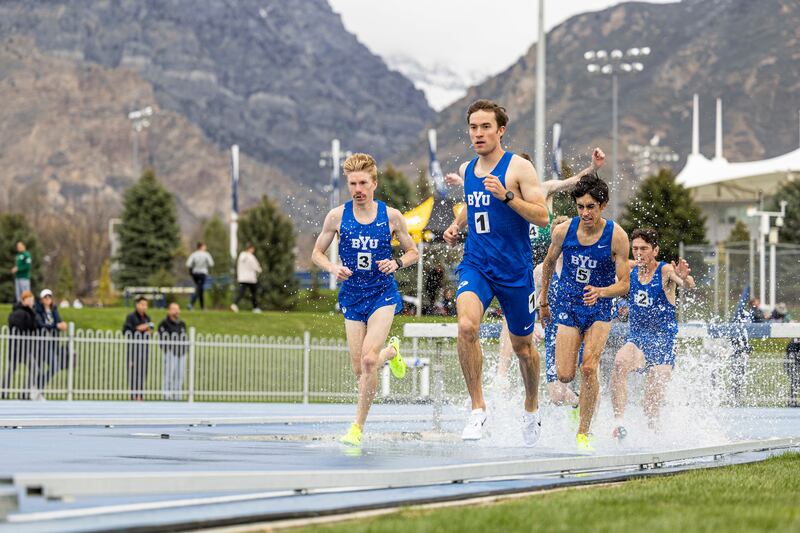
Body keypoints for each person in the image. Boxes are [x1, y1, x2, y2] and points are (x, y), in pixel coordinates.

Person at [443, 99, 549, 444]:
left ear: (500, 130)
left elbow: (542, 215)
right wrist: (456, 224)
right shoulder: (469, 169)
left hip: (515, 272)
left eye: (485, 127)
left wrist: (507, 197)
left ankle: (531, 406)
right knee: (466, 326)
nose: (478, 133)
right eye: (473, 127)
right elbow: (474, 205)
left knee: (523, 348)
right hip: (477, 264)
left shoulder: (518, 168)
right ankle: (477, 409)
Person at [449, 150, 605, 381]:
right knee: (509, 319)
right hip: (516, 265)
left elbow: (575, 181)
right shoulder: (501, 193)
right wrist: (462, 185)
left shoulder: (543, 189)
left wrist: (593, 167)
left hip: (547, 263)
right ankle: (502, 373)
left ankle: (566, 364)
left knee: (548, 297)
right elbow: (479, 195)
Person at [312, 152, 419, 447]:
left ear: (374, 183)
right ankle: (392, 353)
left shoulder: (391, 216)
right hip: (352, 296)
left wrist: (396, 264)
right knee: (361, 370)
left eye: (362, 183)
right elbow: (316, 253)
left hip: (382, 293)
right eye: (352, 184)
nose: (357, 189)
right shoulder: (336, 216)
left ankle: (356, 428)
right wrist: (332, 267)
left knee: (369, 361)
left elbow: (413, 252)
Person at [540, 173, 631, 450]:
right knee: (565, 375)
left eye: (591, 207)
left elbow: (625, 284)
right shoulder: (563, 231)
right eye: (580, 206)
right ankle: (584, 399)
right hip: (567, 304)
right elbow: (547, 264)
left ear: (602, 205)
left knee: (589, 367)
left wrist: (602, 292)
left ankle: (583, 432)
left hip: (599, 308)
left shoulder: (616, 236)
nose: (585, 212)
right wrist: (543, 302)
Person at [610, 228, 695, 438]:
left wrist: (685, 279)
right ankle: (619, 423)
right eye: (635, 248)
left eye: (644, 249)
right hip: (637, 338)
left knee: (650, 406)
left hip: (663, 342)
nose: (639, 253)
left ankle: (655, 438)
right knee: (620, 362)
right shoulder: (630, 269)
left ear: (655, 250)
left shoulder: (665, 270)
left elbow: (687, 284)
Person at [1, 290, 37, 399]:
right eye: (28, 299)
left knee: (34, 369)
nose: (30, 301)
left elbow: (34, 327)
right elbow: (19, 325)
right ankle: (3, 391)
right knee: (11, 370)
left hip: (26, 348)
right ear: (23, 300)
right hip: (17, 347)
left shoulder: (31, 312)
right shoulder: (18, 311)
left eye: (31, 299)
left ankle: (24, 393)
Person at [33, 288, 68, 399]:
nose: (48, 299)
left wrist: (62, 325)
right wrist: (55, 326)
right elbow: (40, 324)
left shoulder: (53, 310)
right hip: (41, 343)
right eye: (45, 297)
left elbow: (58, 321)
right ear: (41, 299)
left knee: (55, 367)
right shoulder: (37, 310)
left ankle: (38, 387)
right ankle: (37, 389)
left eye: (49, 297)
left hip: (52, 342)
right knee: (40, 367)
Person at [123, 295, 154, 401]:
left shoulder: (147, 318)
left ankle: (140, 394)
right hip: (133, 349)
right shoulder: (131, 317)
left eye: (146, 305)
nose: (144, 307)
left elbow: (150, 331)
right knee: (133, 372)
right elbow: (126, 331)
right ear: (137, 305)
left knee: (142, 372)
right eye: (142, 304)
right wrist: (139, 328)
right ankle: (133, 394)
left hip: (144, 350)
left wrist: (149, 332)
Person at [158, 302, 187, 400]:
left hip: (181, 353)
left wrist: (184, 350)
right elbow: (162, 339)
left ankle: (177, 395)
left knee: (180, 375)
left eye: (178, 309)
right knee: (169, 375)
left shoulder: (182, 324)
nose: (177, 311)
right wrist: (167, 350)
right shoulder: (164, 324)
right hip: (171, 353)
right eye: (175, 309)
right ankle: (167, 394)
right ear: (169, 311)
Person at [231, 244, 262, 313]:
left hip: (242, 278)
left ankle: (234, 304)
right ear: (250, 249)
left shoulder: (241, 255)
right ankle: (255, 308)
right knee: (254, 293)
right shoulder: (251, 257)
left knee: (241, 292)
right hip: (251, 279)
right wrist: (259, 270)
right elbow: (256, 267)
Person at [186, 242, 214, 310]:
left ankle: (202, 307)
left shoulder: (194, 254)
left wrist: (192, 270)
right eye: (204, 246)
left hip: (195, 274)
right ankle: (191, 304)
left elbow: (188, 264)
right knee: (199, 289)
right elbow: (211, 264)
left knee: (200, 289)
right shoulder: (206, 254)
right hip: (202, 274)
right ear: (201, 247)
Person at [786, 333, 800, 408]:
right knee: (794, 382)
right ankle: (792, 401)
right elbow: (790, 350)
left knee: (795, 383)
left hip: (795, 364)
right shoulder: (793, 342)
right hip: (792, 365)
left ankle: (792, 401)